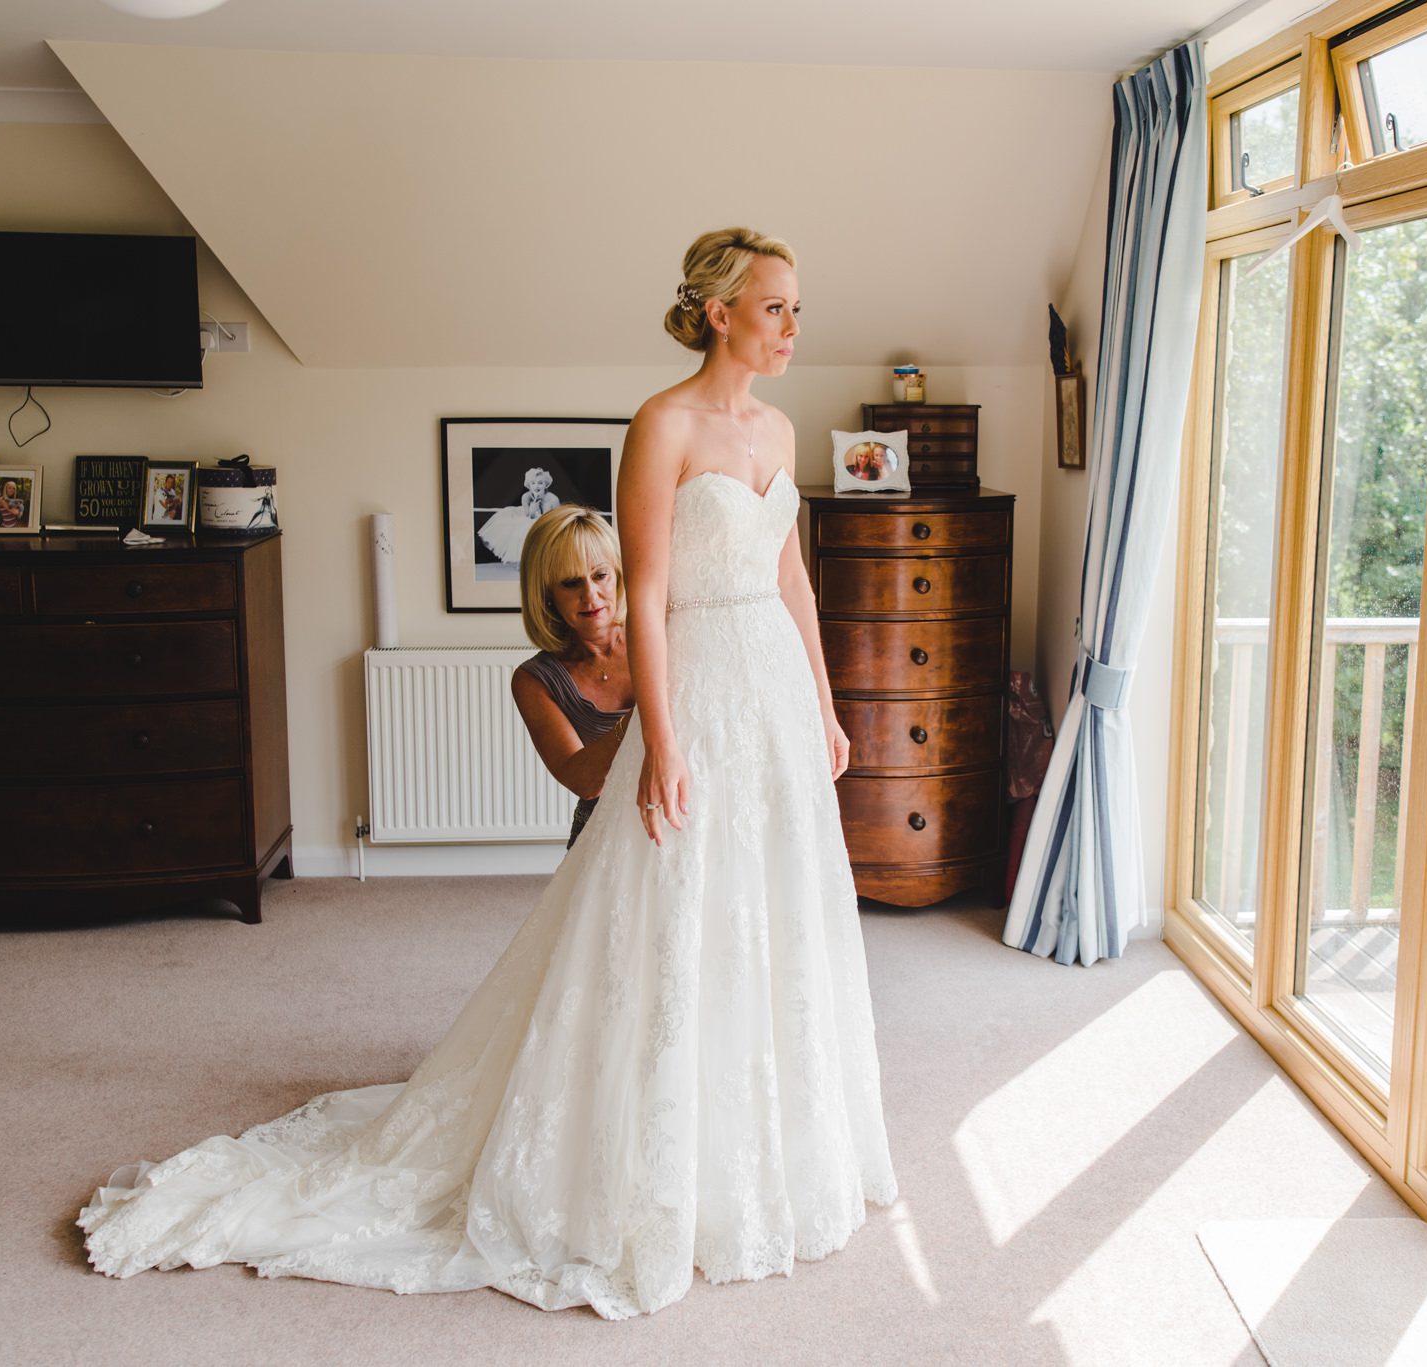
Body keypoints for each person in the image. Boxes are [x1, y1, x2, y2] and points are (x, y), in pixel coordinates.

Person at [76, 227, 897, 1319]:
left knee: (775, 913)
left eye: (797, 307)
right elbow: (645, 592)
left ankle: (768, 1157)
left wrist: (829, 708)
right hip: (699, 694)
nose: (794, 325)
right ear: (719, 311)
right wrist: (664, 737)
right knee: (676, 911)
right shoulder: (661, 423)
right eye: (776, 306)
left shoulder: (778, 427)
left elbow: (792, 580)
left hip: (777, 704)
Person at [509, 505, 634, 848]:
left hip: (682, 812)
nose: (590, 595)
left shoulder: (659, 634)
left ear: (618, 574)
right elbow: (584, 780)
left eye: (600, 575)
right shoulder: (534, 680)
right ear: (546, 594)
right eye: (570, 582)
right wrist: (649, 709)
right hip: (604, 831)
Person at [476, 466, 561, 567]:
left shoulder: (553, 499)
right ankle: (523, 561)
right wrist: (534, 505)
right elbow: (529, 515)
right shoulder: (526, 497)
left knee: (542, 529)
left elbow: (557, 517)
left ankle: (542, 561)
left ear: (545, 485)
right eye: (533, 483)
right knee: (524, 525)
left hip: (548, 519)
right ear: (529, 485)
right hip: (528, 515)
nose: (536, 486)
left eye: (540, 483)